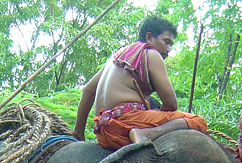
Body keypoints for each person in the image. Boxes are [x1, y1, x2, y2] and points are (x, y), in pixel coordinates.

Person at [74, 16, 207, 150]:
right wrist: (160, 123)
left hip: (104, 133)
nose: (168, 48)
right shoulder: (151, 53)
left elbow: (88, 91)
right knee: (198, 121)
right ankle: (146, 133)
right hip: (128, 124)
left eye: (171, 44)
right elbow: (171, 104)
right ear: (149, 37)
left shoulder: (115, 58)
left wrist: (79, 133)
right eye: (166, 42)